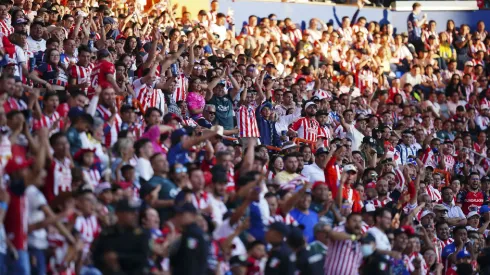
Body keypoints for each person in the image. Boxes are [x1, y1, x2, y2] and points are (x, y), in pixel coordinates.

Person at [92, 199, 151, 274]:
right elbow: (96, 256)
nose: (135, 215)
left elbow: (142, 258)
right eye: (131, 212)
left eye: (136, 212)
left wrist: (118, 257)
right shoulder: (107, 233)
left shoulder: (141, 235)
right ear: (118, 214)